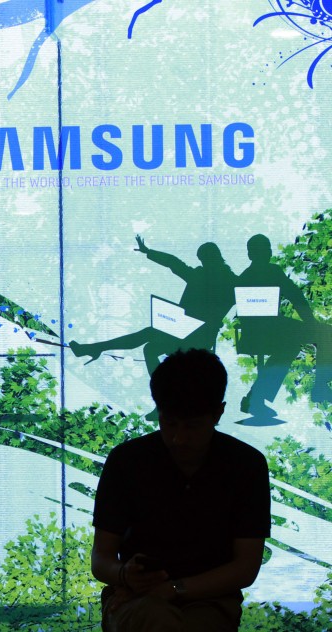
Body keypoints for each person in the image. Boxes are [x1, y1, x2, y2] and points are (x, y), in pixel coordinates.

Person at [91, 349, 271, 631]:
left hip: (210, 600)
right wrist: (125, 575)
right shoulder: (127, 461)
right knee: (156, 619)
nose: (178, 438)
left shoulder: (246, 466)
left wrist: (174, 588)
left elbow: (246, 568)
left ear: (218, 413)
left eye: (192, 426)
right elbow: (101, 559)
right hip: (133, 598)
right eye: (169, 423)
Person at [70, 235, 237, 375]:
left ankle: (96, 348)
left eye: (202, 260)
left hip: (193, 336)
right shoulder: (230, 281)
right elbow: (175, 263)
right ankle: (96, 348)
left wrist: (149, 252)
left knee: (148, 337)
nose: (201, 264)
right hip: (191, 334)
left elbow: (174, 263)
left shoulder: (201, 276)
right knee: (150, 347)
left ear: (209, 259)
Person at [234, 233, 321, 418]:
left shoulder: (244, 277)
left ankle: (255, 397)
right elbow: (296, 297)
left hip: (262, 332)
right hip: (272, 330)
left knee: (288, 345)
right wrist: (311, 324)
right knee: (315, 336)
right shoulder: (271, 271)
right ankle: (320, 386)